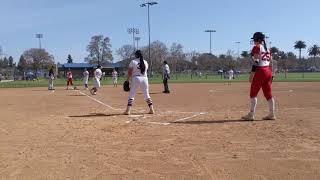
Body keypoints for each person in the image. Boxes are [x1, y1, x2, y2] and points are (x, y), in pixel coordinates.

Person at [242, 32, 276, 121]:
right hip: (268, 71)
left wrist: (252, 75)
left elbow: (256, 62)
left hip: (260, 71)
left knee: (253, 93)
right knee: (268, 94)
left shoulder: (257, 47)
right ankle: (272, 114)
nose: (253, 41)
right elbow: (271, 62)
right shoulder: (268, 48)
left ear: (258, 40)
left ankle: (251, 114)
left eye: (254, 39)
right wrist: (272, 74)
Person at [124, 50, 154, 115]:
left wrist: (127, 80)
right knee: (146, 94)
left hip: (136, 78)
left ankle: (128, 110)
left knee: (132, 94)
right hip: (145, 78)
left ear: (136, 55)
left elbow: (130, 72)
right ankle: (151, 109)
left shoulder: (133, 61)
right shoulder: (145, 62)